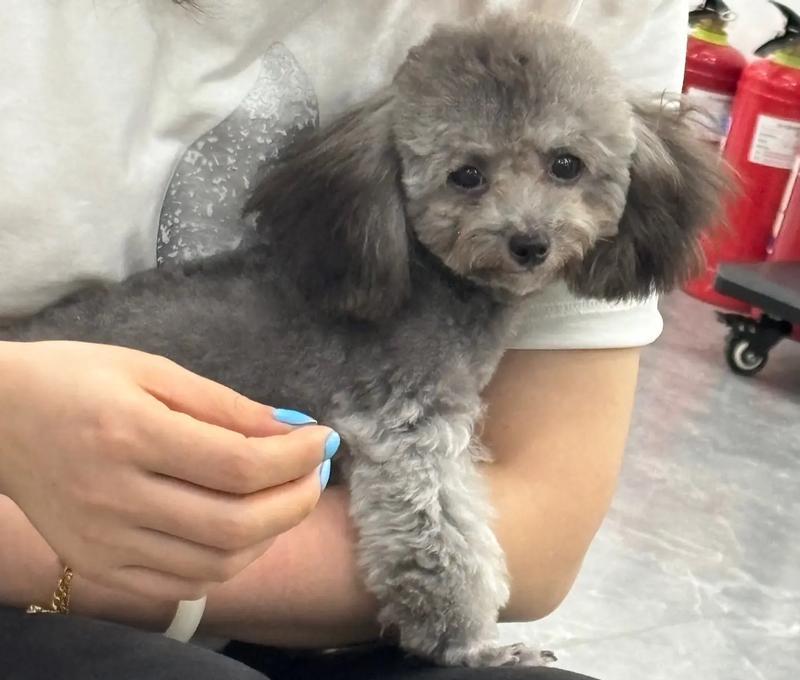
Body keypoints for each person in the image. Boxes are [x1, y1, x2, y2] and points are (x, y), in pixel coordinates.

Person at [0, 1, 688, 678]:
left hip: (245, 589)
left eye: (564, 167)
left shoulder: (608, 15)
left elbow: (544, 538)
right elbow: (413, 479)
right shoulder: (406, 336)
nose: (528, 224)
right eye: (468, 179)